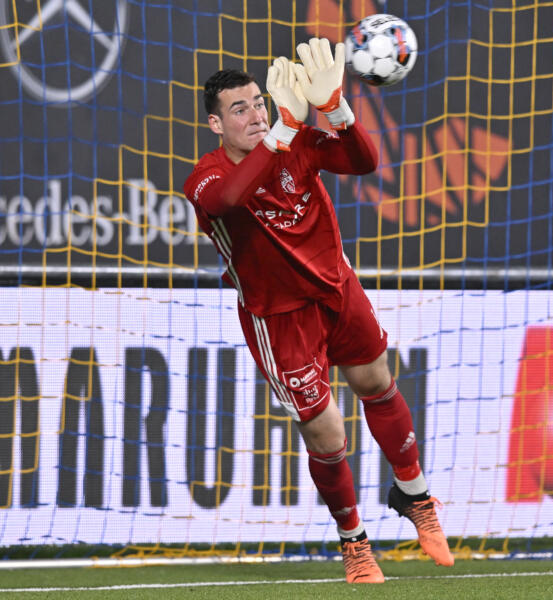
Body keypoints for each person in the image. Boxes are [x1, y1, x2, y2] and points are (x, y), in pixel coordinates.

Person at [184, 38, 453, 584]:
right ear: (216, 125)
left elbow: (365, 160)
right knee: (327, 434)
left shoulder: (300, 142)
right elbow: (232, 199)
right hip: (277, 316)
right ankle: (355, 544)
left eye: (260, 101)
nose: (256, 113)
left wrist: (335, 108)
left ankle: (415, 496)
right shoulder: (206, 177)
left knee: (378, 381)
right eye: (240, 109)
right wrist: (282, 130)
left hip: (336, 287)